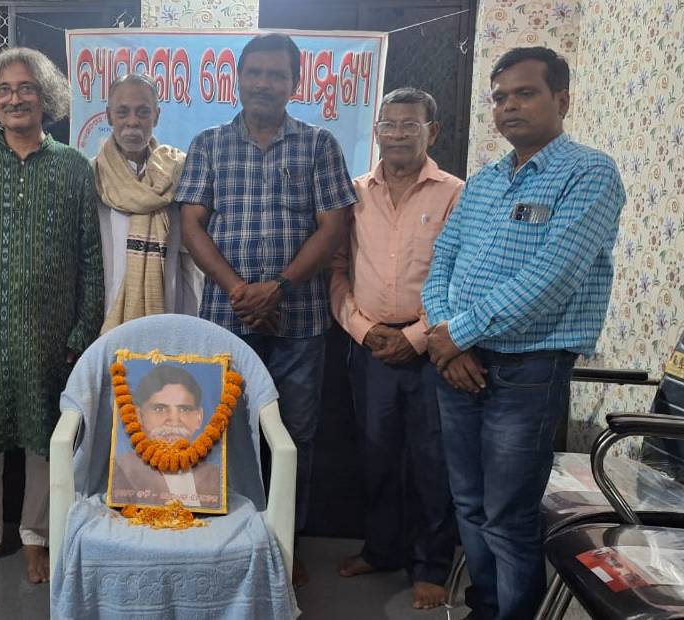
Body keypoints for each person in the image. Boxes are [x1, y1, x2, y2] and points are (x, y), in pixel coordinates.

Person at [422, 47, 626, 619]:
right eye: (499, 97)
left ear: (562, 100)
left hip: (529, 370)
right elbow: (441, 262)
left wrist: (454, 335)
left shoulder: (589, 174)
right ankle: (485, 607)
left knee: (508, 515)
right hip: (458, 361)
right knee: (468, 503)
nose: (508, 106)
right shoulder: (484, 181)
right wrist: (447, 338)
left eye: (525, 93)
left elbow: (552, 278)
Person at [175, 32, 356, 585]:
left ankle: (282, 544)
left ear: (294, 84)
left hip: (300, 323)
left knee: (294, 437)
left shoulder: (319, 145)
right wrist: (239, 289)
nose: (264, 84)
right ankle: (225, 541)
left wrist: (277, 286)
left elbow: (333, 226)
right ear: (238, 78)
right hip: (225, 322)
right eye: (254, 73)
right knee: (222, 432)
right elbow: (191, 225)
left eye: (277, 75)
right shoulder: (208, 144)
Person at [0, 47, 104, 585]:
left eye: (26, 87)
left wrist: (82, 330)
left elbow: (90, 255)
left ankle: (35, 536)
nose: (14, 98)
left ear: (45, 96)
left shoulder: (75, 167)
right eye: (4, 90)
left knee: (44, 435)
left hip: (50, 332)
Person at [329, 87, 462, 609]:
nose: (398, 134)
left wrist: (415, 337)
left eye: (411, 125)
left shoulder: (455, 194)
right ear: (377, 131)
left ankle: (431, 566)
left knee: (432, 460)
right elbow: (337, 270)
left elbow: (461, 279)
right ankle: (381, 550)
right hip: (369, 345)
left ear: (433, 132)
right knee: (376, 454)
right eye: (389, 124)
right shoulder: (353, 193)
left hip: (433, 347)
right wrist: (363, 330)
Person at [95, 73, 201, 332]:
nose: (133, 122)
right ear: (109, 116)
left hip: (166, 311)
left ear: (156, 116)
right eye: (123, 112)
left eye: (143, 112)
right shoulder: (93, 177)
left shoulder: (176, 175)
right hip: (104, 315)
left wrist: (191, 324)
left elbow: (190, 264)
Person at [110, 364, 221, 509]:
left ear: (199, 418)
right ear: (139, 416)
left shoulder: (214, 476)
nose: (173, 421)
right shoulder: (124, 470)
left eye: (184, 409)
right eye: (159, 409)